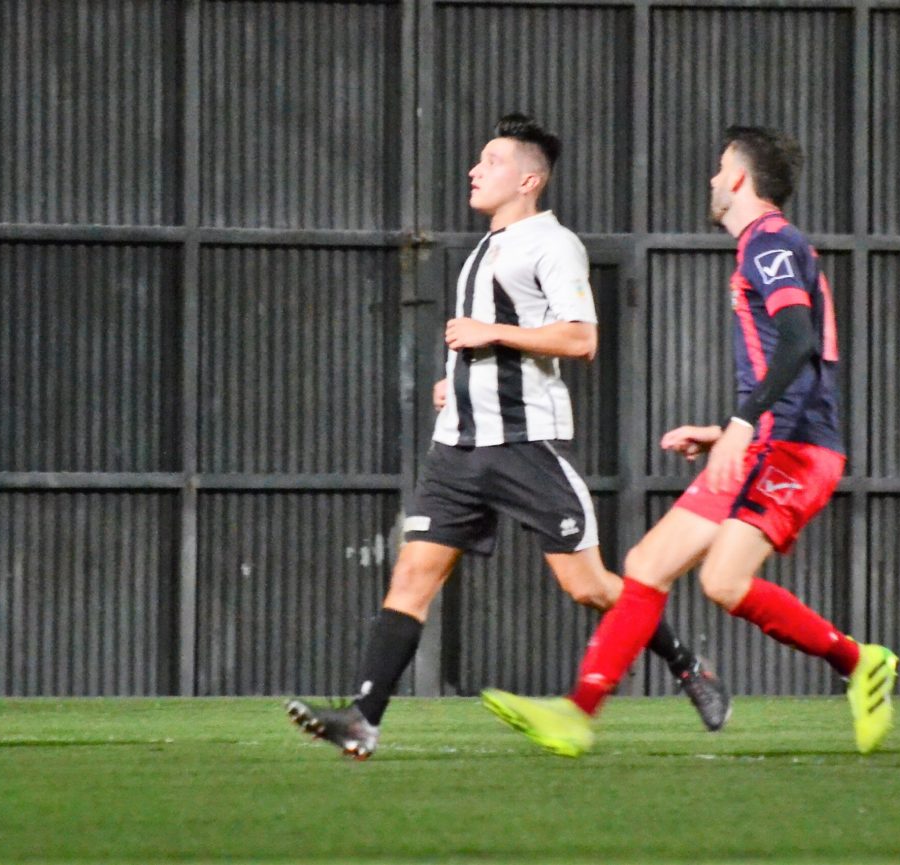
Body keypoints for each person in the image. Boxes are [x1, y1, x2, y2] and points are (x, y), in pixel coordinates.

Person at [286, 114, 730, 760]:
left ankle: (690, 668)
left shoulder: (554, 244)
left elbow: (582, 337)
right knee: (411, 577)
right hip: (457, 449)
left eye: (490, 161)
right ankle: (363, 719)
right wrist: (457, 382)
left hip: (525, 444)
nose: (474, 170)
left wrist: (489, 335)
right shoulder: (483, 250)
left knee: (589, 587)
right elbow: (485, 345)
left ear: (529, 180)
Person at [481, 126, 899, 757]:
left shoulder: (771, 242)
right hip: (767, 441)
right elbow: (790, 356)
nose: (711, 179)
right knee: (647, 566)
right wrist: (728, 430)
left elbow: (798, 341)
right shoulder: (765, 245)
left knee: (723, 581)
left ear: (739, 179)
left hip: (796, 449)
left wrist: (743, 423)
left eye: (720, 167)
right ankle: (576, 714)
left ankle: (858, 660)